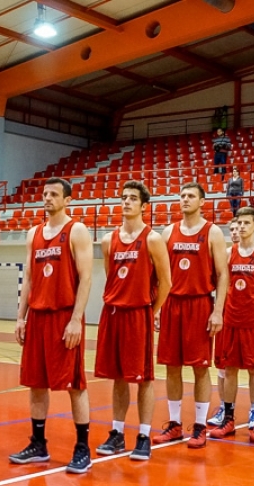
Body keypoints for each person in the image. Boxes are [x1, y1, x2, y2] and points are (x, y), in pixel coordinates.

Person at [10, 177, 94, 473]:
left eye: (54, 194)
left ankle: (82, 448)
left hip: (64, 316)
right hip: (38, 316)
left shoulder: (77, 230)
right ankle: (38, 443)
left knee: (75, 385)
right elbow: (29, 279)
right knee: (36, 383)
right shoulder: (33, 233)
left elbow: (86, 277)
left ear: (67, 200)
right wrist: (20, 317)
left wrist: (76, 319)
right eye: (45, 194)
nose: (47, 198)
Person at [96, 181, 171, 461]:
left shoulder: (152, 239)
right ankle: (117, 432)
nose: (126, 202)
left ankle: (143, 435)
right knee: (118, 377)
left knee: (143, 378)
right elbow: (111, 276)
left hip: (138, 314)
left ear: (143, 205)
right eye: (123, 197)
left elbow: (166, 282)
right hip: (113, 313)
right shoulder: (108, 240)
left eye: (132, 198)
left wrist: (152, 310)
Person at [153, 182, 227, 450]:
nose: (185, 199)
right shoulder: (168, 231)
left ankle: (199, 425)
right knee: (172, 366)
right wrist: (158, 307)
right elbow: (159, 274)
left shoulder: (212, 232)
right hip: (172, 303)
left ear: (202, 201)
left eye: (191, 196)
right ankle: (174, 425)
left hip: (199, 304)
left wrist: (218, 311)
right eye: (182, 195)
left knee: (200, 368)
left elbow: (223, 274)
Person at [210, 207, 254, 443]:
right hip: (232, 319)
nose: (241, 227)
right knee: (229, 369)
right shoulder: (229, 253)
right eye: (239, 223)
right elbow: (222, 284)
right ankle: (228, 418)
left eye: (246, 223)